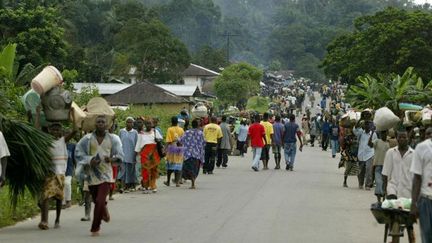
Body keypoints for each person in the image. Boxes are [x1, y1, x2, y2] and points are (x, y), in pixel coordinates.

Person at [75, 115, 124, 236]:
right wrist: (89, 160)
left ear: (107, 125)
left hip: (106, 174)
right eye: (98, 122)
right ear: (95, 124)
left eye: (103, 122)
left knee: (100, 200)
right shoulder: (87, 139)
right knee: (97, 201)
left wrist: (112, 159)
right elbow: (78, 153)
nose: (101, 124)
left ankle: (95, 228)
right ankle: (104, 212)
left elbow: (120, 155)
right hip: (91, 175)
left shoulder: (113, 139)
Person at [35, 107, 77, 230]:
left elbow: (75, 130)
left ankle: (57, 219)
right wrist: (37, 114)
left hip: (60, 173)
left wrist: (72, 115)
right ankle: (44, 221)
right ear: (49, 130)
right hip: (49, 172)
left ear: (61, 131)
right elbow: (37, 130)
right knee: (46, 196)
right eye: (53, 129)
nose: (55, 131)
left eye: (57, 129)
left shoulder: (63, 141)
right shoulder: (46, 141)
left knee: (59, 198)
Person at [410, 127, 432, 243]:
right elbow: (417, 177)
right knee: (427, 237)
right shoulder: (421, 148)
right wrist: (414, 203)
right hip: (426, 200)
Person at [382, 130, 414, 199]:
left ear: (408, 138)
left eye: (404, 137)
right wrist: (384, 190)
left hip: (408, 192)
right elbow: (385, 173)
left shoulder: (414, 154)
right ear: (397, 138)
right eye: (400, 137)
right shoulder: (390, 152)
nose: (402, 139)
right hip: (392, 189)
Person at [135, 119, 162, 193]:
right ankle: (145, 186)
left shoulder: (155, 132)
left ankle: (153, 185)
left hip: (154, 154)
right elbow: (138, 145)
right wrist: (136, 154)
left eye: (150, 123)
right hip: (144, 154)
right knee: (145, 170)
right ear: (144, 124)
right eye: (147, 123)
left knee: (153, 170)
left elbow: (160, 141)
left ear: (152, 124)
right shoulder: (141, 133)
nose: (148, 125)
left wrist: (157, 141)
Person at [180, 119, 205, 189]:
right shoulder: (200, 133)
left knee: (187, 168)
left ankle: (186, 180)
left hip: (187, 154)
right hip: (196, 154)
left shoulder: (187, 132)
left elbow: (181, 140)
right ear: (197, 125)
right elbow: (204, 143)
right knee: (195, 169)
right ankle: (193, 183)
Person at [354, 120, 377, 190]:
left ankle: (367, 184)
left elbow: (372, 144)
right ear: (364, 125)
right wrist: (361, 119)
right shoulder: (361, 132)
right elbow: (355, 129)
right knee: (361, 170)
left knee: (368, 170)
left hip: (370, 154)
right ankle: (361, 183)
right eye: (366, 124)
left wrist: (372, 132)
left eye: (368, 125)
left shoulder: (374, 134)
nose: (367, 126)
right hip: (361, 154)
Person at [163, 117, 184, 187]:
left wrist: (165, 149)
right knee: (178, 164)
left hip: (172, 147)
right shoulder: (181, 129)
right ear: (177, 122)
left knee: (170, 165)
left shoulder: (170, 129)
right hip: (179, 148)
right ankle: (177, 182)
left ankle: (168, 181)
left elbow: (168, 141)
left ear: (171, 122)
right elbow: (183, 139)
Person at [119, 117, 138, 193]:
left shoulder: (135, 132)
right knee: (123, 170)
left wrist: (135, 155)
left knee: (130, 170)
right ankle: (123, 186)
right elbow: (119, 142)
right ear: (125, 123)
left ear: (133, 124)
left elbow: (136, 144)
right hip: (123, 154)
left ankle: (130, 185)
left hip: (131, 154)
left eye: (131, 122)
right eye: (128, 122)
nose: (129, 124)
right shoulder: (121, 131)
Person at [369, 130, 390, 202]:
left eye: (385, 133)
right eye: (382, 133)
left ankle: (383, 199)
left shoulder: (388, 143)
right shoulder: (377, 141)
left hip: (386, 166)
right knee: (378, 182)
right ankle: (378, 201)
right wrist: (371, 134)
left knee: (385, 184)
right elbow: (370, 144)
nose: (383, 134)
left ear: (387, 133)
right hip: (377, 166)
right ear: (380, 134)